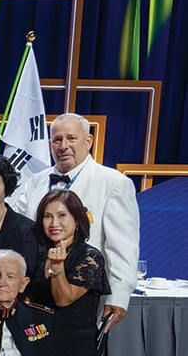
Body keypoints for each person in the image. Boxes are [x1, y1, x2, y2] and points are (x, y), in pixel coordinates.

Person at [14, 112, 139, 330]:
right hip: (34, 295)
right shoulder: (35, 181)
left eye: (71, 138)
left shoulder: (114, 183)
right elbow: (21, 231)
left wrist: (118, 297)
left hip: (81, 294)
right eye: (57, 139)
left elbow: (122, 247)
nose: (63, 146)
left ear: (89, 141)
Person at [26, 190, 111, 356]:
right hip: (39, 346)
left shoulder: (90, 257)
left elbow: (63, 299)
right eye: (47, 216)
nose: (54, 223)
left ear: (77, 219)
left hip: (73, 352)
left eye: (62, 215)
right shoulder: (39, 252)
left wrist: (57, 268)